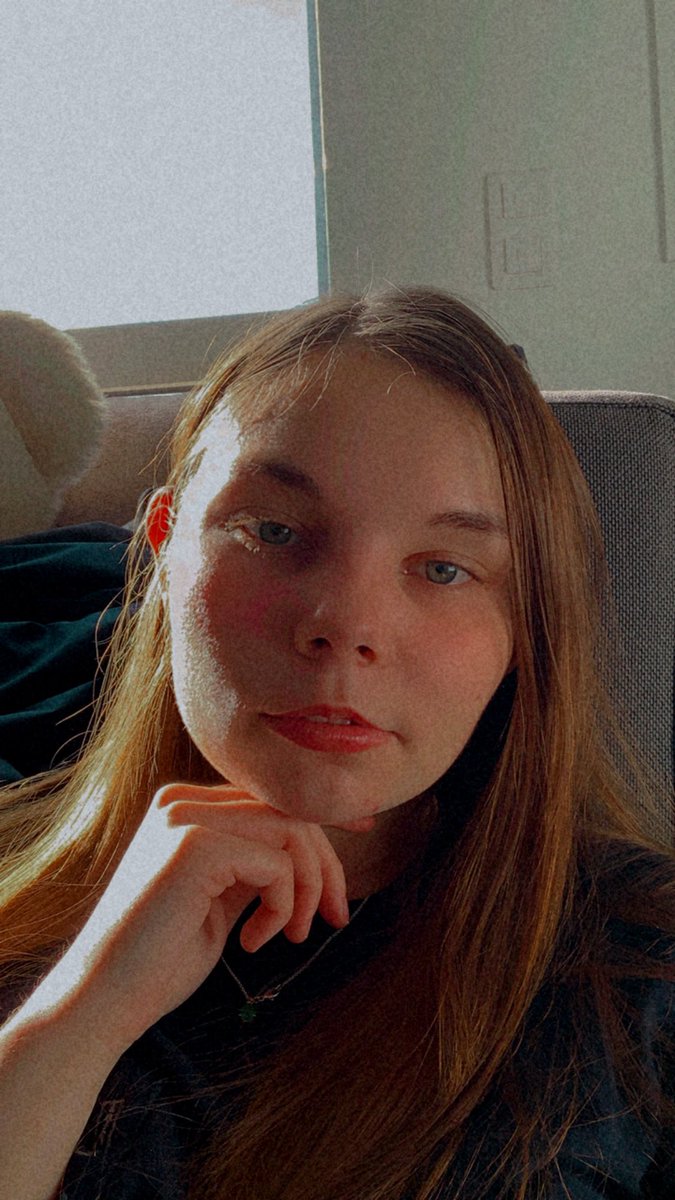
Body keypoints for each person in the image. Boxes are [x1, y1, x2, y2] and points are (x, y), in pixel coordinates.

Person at [0, 285, 673, 1200]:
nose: (345, 624)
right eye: (273, 531)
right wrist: (75, 1016)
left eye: (444, 569)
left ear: (526, 623)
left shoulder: (642, 967)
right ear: (162, 549)